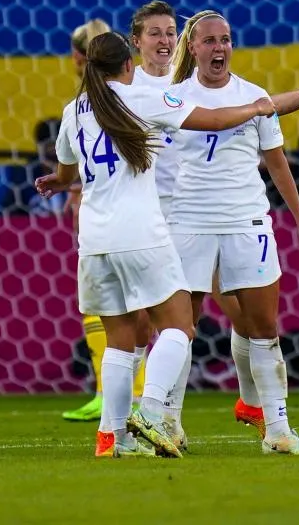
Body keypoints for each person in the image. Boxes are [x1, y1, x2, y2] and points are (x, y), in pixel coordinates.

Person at [35, 31, 278, 458]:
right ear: (128, 65)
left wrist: (58, 182)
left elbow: (65, 169)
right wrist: (258, 106)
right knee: (180, 326)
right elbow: (217, 120)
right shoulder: (139, 99)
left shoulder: (72, 111)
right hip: (141, 235)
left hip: (93, 242)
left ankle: (112, 438)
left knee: (119, 340)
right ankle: (149, 411)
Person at [163, 10, 299, 456]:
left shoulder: (253, 95)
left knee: (263, 325)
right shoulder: (174, 98)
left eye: (226, 40)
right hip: (190, 221)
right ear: (192, 48)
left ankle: (277, 430)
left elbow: (276, 162)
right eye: (210, 41)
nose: (219, 48)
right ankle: (170, 425)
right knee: (182, 326)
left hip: (246, 221)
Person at [60, 19, 150, 423]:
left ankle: (133, 400)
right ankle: (121, 398)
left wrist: (72, 186)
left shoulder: (126, 96)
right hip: (125, 217)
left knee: (155, 314)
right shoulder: (88, 102)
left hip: (132, 216)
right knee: (139, 312)